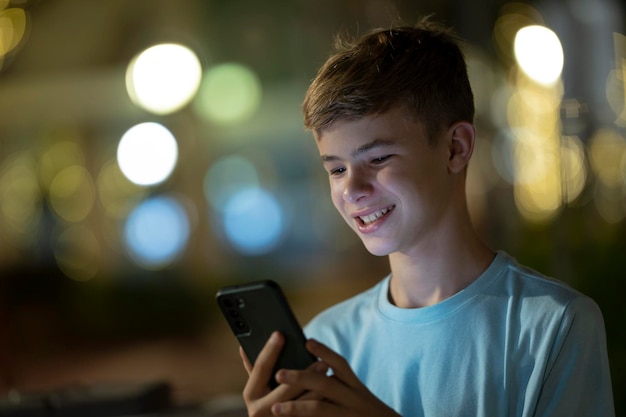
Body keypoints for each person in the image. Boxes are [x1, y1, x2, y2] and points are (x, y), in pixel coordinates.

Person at [237, 18, 615, 417]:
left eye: (378, 158)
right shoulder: (324, 341)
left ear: (456, 147)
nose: (352, 190)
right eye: (336, 169)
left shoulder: (552, 325)